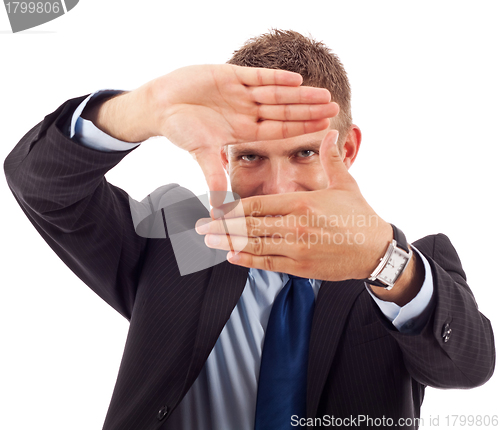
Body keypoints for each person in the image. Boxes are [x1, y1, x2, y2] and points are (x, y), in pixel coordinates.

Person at [4, 30, 495, 430]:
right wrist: (143, 109)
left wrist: (383, 261)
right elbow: (42, 185)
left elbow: (469, 364)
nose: (277, 186)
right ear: (225, 157)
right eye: (250, 156)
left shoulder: (407, 264)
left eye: (304, 153)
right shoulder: (175, 242)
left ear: (346, 151)